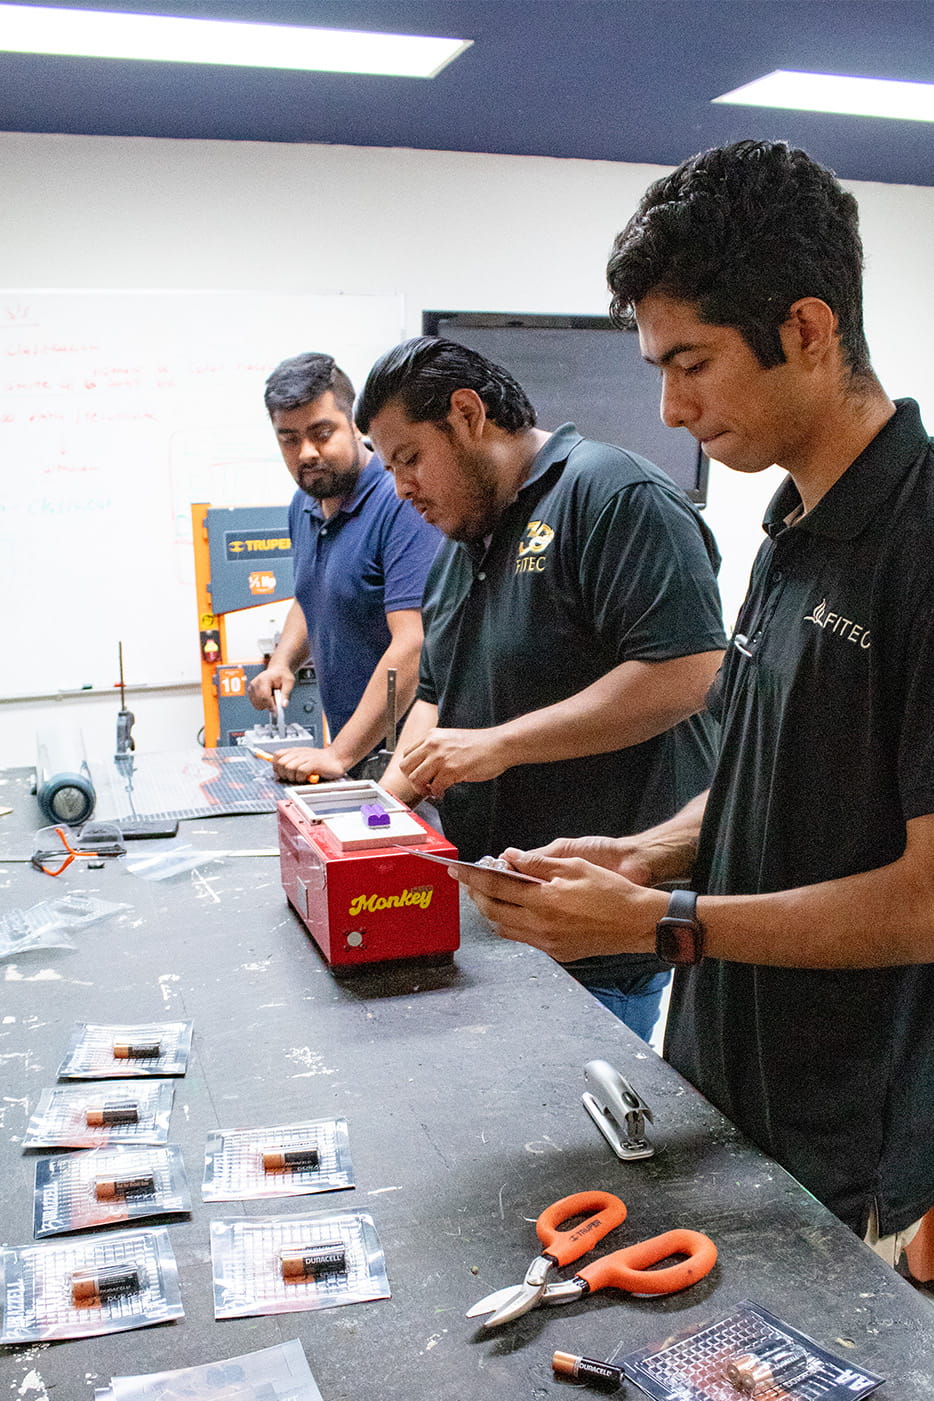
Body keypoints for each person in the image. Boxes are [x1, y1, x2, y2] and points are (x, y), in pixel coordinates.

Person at [456, 139, 934, 1260]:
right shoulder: (789, 526)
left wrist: (660, 926)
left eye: (693, 362)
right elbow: (778, 776)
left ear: (809, 331)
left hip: (843, 1149)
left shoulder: (919, 545)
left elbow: (924, 901)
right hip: (726, 1098)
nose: (668, 410)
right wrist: (648, 857)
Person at [355, 337, 726, 1041]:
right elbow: (434, 696)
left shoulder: (611, 493)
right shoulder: (460, 551)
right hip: (493, 922)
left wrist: (502, 746)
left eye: (409, 459)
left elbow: (687, 673)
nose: (400, 489)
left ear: (467, 415)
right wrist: (376, 812)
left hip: (595, 935)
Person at [247, 352, 440, 782]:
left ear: (355, 424)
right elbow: (314, 594)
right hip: (355, 754)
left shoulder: (401, 502)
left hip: (410, 759)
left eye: (322, 433)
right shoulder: (304, 505)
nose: (307, 452)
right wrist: (283, 662)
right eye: (289, 439)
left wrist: (339, 753)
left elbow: (412, 644)